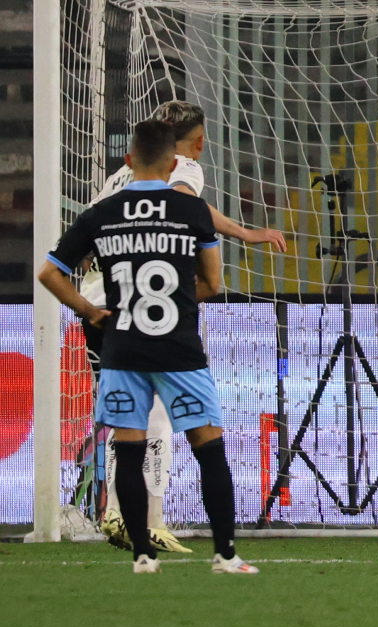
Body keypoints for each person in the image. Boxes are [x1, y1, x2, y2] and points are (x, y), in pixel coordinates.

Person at [39, 120, 258, 574]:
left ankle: (142, 555)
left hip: (123, 348)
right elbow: (213, 283)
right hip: (179, 349)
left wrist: (89, 309)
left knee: (130, 449)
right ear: (175, 162)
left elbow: (50, 273)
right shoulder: (190, 209)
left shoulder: (102, 212)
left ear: (127, 160)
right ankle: (226, 555)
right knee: (208, 448)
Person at [83, 101, 286, 554]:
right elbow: (182, 202)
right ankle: (148, 520)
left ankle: (117, 509)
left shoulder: (120, 177)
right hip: (145, 308)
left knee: (128, 415)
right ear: (195, 142)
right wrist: (246, 233)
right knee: (159, 414)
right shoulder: (185, 168)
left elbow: (90, 230)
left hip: (99, 305)